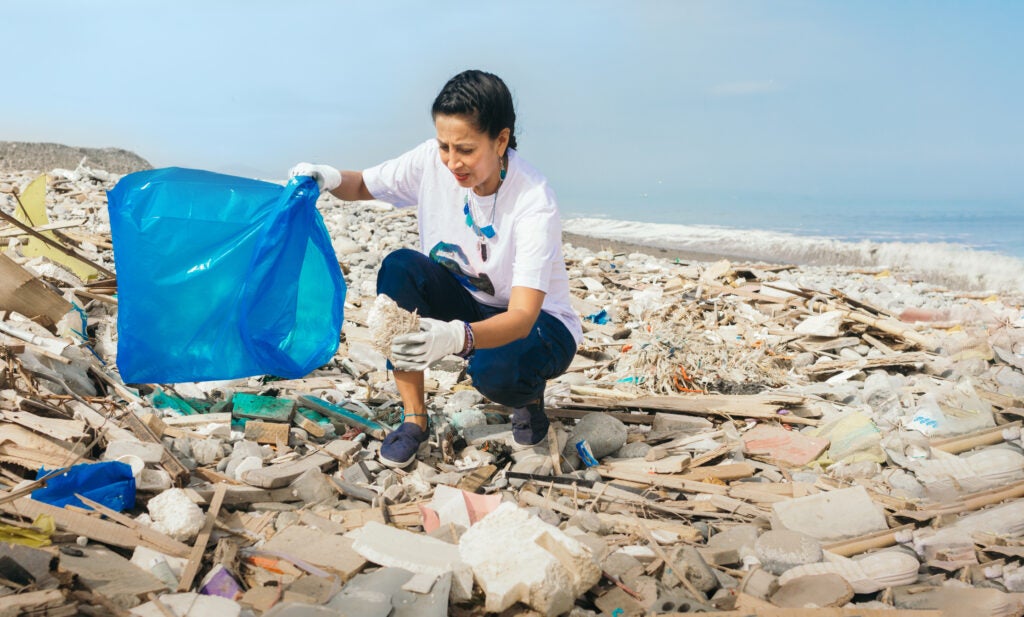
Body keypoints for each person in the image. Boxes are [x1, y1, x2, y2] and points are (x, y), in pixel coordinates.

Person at [290, 69, 581, 468]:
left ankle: (527, 397)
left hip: (541, 326)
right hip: (470, 301)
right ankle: (414, 420)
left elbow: (521, 317)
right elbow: (361, 186)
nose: (451, 162)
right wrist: (326, 176)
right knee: (400, 268)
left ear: (500, 140)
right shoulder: (432, 163)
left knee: (495, 371)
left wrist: (452, 336)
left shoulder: (533, 201)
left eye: (464, 149)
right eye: (444, 146)